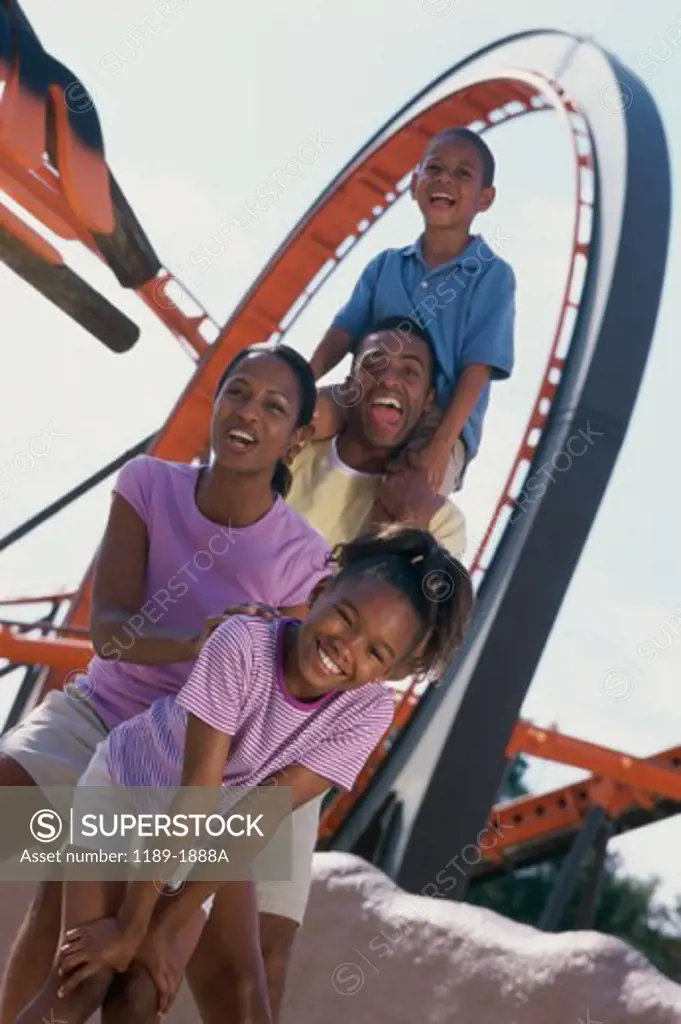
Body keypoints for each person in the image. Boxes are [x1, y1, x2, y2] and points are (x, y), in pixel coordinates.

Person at [0, 345, 331, 1024]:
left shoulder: (305, 558)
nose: (247, 413)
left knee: (213, 982)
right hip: (98, 715)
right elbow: (110, 631)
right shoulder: (147, 483)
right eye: (237, 393)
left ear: (296, 437)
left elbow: (281, 699)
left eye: (273, 407)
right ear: (215, 403)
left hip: (192, 759)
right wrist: (196, 644)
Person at [22, 526, 474, 1024]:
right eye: (346, 619)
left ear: (389, 673)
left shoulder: (365, 712)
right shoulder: (242, 645)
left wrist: (165, 930)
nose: (347, 648)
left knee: (141, 998)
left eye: (375, 653)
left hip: (206, 833)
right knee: (83, 983)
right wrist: (131, 926)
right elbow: (198, 787)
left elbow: (257, 818)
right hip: (126, 790)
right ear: (320, 594)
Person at [308, 127, 516, 496]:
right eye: (433, 169)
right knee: (295, 415)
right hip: (366, 393)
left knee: (411, 492)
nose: (444, 180)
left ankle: (372, 554)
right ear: (413, 183)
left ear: (485, 199)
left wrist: (440, 446)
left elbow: (477, 369)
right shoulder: (385, 265)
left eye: (462, 174)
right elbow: (343, 331)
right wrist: (302, 383)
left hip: (440, 420)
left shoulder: (491, 275)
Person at [287, 317, 467, 554]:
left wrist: (409, 522)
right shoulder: (286, 455)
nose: (390, 379)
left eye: (410, 372)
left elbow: (412, 590)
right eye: (373, 364)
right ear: (350, 386)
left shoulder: (442, 524)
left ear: (428, 401)